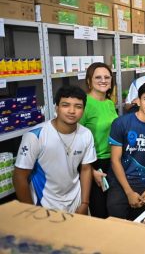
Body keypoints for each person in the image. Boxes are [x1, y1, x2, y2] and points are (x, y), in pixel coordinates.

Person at [13, 86, 96, 214]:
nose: (72, 111)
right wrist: (30, 211)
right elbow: (19, 176)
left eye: (78, 106)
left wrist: (85, 203)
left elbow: (86, 169)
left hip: (76, 202)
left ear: (83, 110)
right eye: (65, 105)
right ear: (56, 107)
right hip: (44, 205)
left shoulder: (86, 134)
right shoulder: (36, 135)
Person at [107, 82, 145, 220]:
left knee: (143, 229)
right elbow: (115, 160)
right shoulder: (121, 123)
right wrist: (129, 192)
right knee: (117, 226)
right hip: (121, 183)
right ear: (138, 101)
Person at [79, 62, 118, 218]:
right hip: (94, 164)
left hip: (112, 161)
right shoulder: (85, 104)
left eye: (107, 77)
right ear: (89, 81)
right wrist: (91, 171)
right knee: (100, 211)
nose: (103, 80)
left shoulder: (109, 103)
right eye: (98, 77)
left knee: (112, 209)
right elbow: (75, 140)